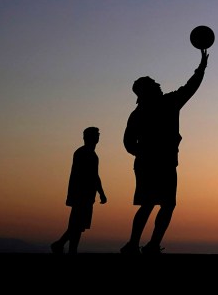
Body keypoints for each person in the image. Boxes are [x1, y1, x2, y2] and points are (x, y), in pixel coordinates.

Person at [120, 48, 208, 254]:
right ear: (147, 91)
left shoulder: (152, 108)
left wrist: (201, 69)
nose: (158, 84)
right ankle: (139, 244)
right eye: (153, 84)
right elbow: (129, 142)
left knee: (159, 204)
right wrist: (145, 153)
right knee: (156, 204)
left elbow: (128, 143)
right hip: (156, 164)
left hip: (160, 163)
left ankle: (146, 244)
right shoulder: (161, 105)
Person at [51, 126, 107, 254]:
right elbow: (92, 175)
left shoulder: (89, 153)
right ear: (87, 137)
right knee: (76, 225)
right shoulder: (85, 153)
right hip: (82, 194)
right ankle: (60, 245)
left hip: (85, 194)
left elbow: (94, 175)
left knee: (78, 225)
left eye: (98, 134)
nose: (98, 136)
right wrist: (101, 193)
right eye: (95, 134)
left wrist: (100, 193)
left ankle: (68, 248)